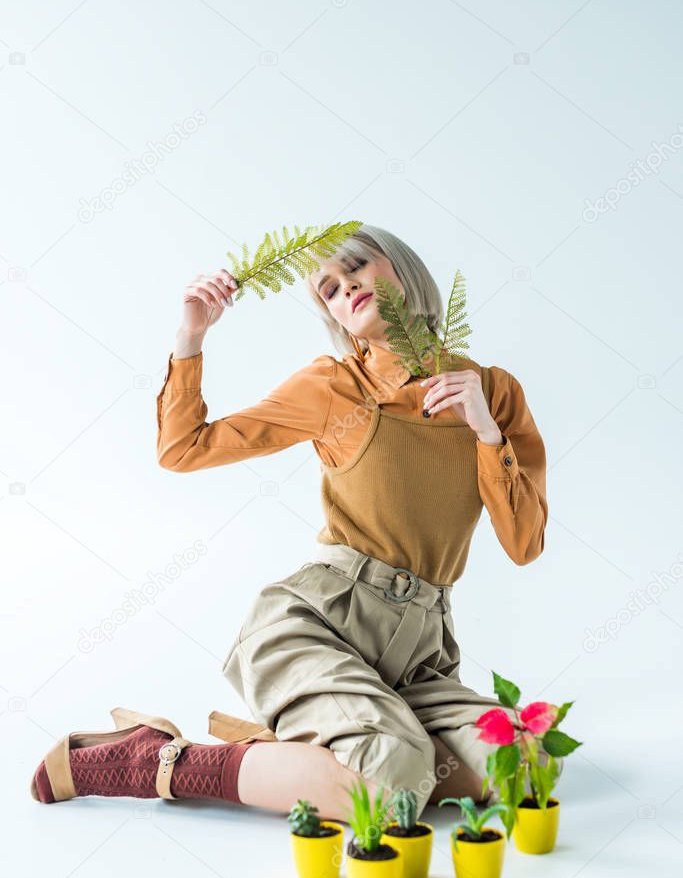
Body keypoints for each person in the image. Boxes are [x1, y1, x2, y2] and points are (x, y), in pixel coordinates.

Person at [31, 225, 548, 822]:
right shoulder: (334, 387)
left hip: (418, 655)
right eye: (328, 289)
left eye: (357, 267)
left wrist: (486, 432)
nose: (345, 286)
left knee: (524, 757)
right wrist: (191, 335)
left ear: (402, 268)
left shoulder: (496, 393)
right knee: (391, 786)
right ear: (334, 317)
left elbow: (524, 543)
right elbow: (183, 449)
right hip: (319, 626)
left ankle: (324, 751)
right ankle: (159, 760)